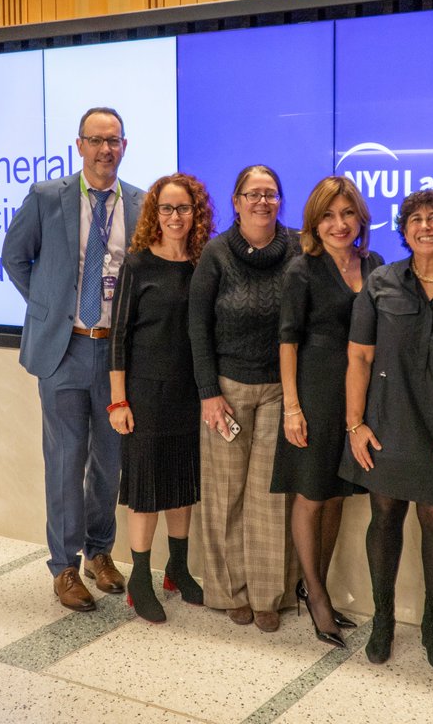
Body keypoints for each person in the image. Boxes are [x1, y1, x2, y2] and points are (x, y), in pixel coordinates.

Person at [1, 107, 143, 612]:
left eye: (115, 141)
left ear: (124, 146)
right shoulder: (47, 198)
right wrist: (47, 308)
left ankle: (99, 553)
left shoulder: (140, 203)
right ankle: (63, 565)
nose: (106, 150)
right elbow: (14, 257)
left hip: (116, 355)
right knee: (65, 460)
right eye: (96, 140)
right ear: (79, 145)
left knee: (109, 460)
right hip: (63, 349)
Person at [343, 190, 433, 671]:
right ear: (404, 230)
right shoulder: (381, 283)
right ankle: (383, 620)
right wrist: (355, 424)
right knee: (384, 518)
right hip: (386, 425)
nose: (426, 226)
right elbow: (360, 356)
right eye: (416, 219)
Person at [270, 176, 383, 648]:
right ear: (315, 222)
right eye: (328, 215)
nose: (339, 224)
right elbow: (287, 341)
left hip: (359, 399)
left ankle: (316, 586)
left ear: (360, 217)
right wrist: (292, 408)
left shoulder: (375, 264)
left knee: (337, 494)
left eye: (347, 213)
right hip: (314, 393)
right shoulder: (303, 269)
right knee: (312, 496)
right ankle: (315, 594)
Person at [189, 164, 300, 633]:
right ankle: (229, 591)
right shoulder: (215, 255)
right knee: (224, 495)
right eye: (252, 194)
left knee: (270, 499)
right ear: (235, 202)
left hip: (280, 390)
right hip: (227, 391)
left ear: (280, 201)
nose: (262, 201)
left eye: (270, 193)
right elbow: (197, 328)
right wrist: (209, 393)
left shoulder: (298, 249)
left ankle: (267, 596)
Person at [108, 173, 214, 623]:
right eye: (167, 209)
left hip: (190, 394)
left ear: (196, 213)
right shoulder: (137, 264)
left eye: (184, 208)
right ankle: (139, 578)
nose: (175, 217)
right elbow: (118, 337)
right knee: (147, 491)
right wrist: (118, 401)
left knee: (181, 486)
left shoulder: (204, 263)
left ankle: (177, 568)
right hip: (145, 395)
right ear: (155, 213)